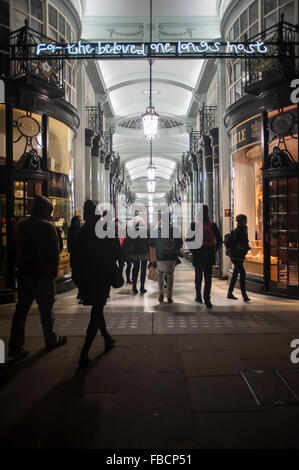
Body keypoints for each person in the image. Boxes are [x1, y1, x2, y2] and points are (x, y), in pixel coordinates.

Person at [8, 195, 67, 360]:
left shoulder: (20, 226)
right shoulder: (48, 227)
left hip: (25, 274)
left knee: (21, 311)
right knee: (46, 309)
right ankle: (50, 338)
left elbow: (13, 250)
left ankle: (15, 346)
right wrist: (53, 272)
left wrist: (15, 268)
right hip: (42, 274)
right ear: (45, 210)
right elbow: (54, 253)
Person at [72, 200, 121, 366]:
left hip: (87, 276)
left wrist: (76, 276)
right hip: (102, 275)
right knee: (97, 309)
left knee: (97, 307)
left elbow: (75, 257)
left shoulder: (80, 233)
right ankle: (85, 351)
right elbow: (117, 252)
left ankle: (107, 338)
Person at [187, 205, 222, 309]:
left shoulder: (194, 224)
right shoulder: (212, 225)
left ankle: (198, 296)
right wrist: (213, 250)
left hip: (198, 255)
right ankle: (207, 299)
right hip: (209, 255)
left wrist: (194, 252)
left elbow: (188, 240)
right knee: (208, 277)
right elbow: (219, 240)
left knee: (198, 276)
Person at [150, 218, 183, 303]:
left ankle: (161, 295)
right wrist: (175, 249)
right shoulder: (175, 230)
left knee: (160, 274)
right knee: (170, 275)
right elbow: (180, 243)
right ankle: (169, 296)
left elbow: (151, 243)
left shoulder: (157, 231)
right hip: (171, 256)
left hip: (160, 256)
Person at [226, 214, 251, 302]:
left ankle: (230, 293)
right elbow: (232, 243)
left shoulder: (243, 230)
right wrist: (239, 247)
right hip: (236, 256)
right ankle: (244, 295)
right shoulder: (237, 231)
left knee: (235, 274)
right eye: (245, 220)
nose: (246, 221)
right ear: (241, 221)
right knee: (242, 273)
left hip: (238, 256)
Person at [124, 219, 149, 294]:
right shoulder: (146, 231)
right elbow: (149, 241)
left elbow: (127, 241)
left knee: (135, 269)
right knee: (143, 270)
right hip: (144, 252)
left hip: (135, 252)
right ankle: (142, 287)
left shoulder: (131, 231)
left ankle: (134, 286)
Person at [67, 215, 83, 303]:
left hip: (81, 256)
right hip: (74, 256)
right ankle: (80, 290)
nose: (79, 222)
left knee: (80, 275)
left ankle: (81, 292)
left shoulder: (82, 230)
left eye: (80, 221)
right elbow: (69, 242)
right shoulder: (71, 230)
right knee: (74, 276)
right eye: (78, 221)